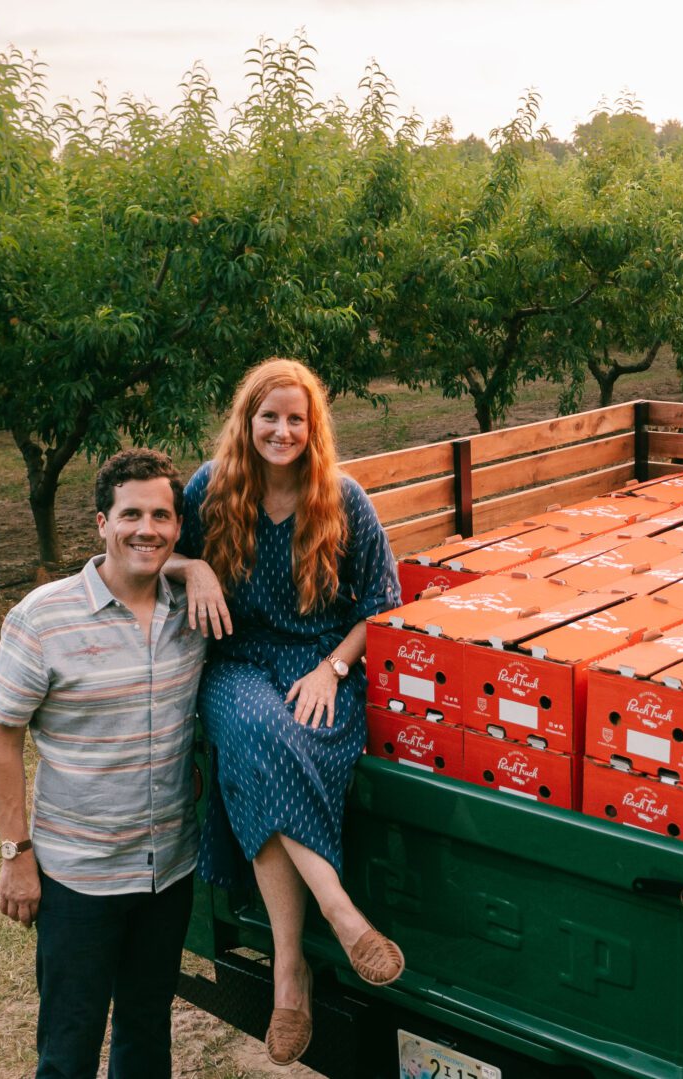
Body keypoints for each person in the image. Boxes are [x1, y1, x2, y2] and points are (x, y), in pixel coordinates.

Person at [165, 358, 404, 1067]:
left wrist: (333, 669)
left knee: (268, 748)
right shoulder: (210, 489)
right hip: (237, 662)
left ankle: (289, 972)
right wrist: (193, 566)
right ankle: (340, 911)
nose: (282, 430)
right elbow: (147, 554)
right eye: (269, 416)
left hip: (321, 665)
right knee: (256, 727)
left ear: (312, 426)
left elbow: (381, 607)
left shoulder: (343, 498)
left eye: (296, 418)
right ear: (247, 420)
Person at [0, 448, 206, 1079]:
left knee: (146, 1033)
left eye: (161, 516)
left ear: (177, 528)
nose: (146, 529)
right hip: (79, 878)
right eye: (130, 514)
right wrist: (15, 854)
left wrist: (199, 570)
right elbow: (2, 737)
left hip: (168, 871)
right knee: (68, 1047)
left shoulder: (192, 613)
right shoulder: (42, 618)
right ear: (102, 523)